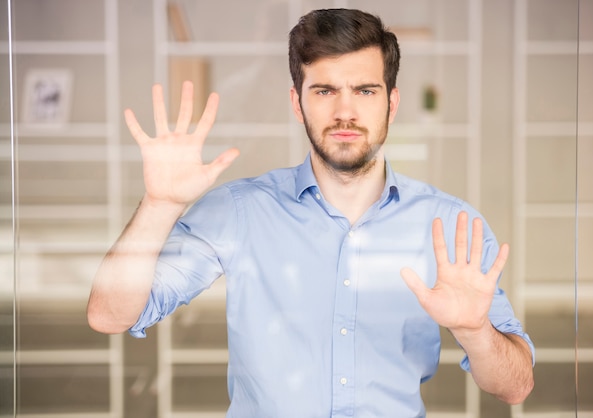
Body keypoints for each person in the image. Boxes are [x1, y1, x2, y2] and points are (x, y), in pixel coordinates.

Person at [87, 8, 534, 417]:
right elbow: (110, 315)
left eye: (365, 90)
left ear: (391, 104)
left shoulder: (451, 226)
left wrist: (476, 331)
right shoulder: (240, 211)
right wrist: (159, 205)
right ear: (297, 102)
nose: (345, 111)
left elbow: (515, 387)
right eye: (324, 90)